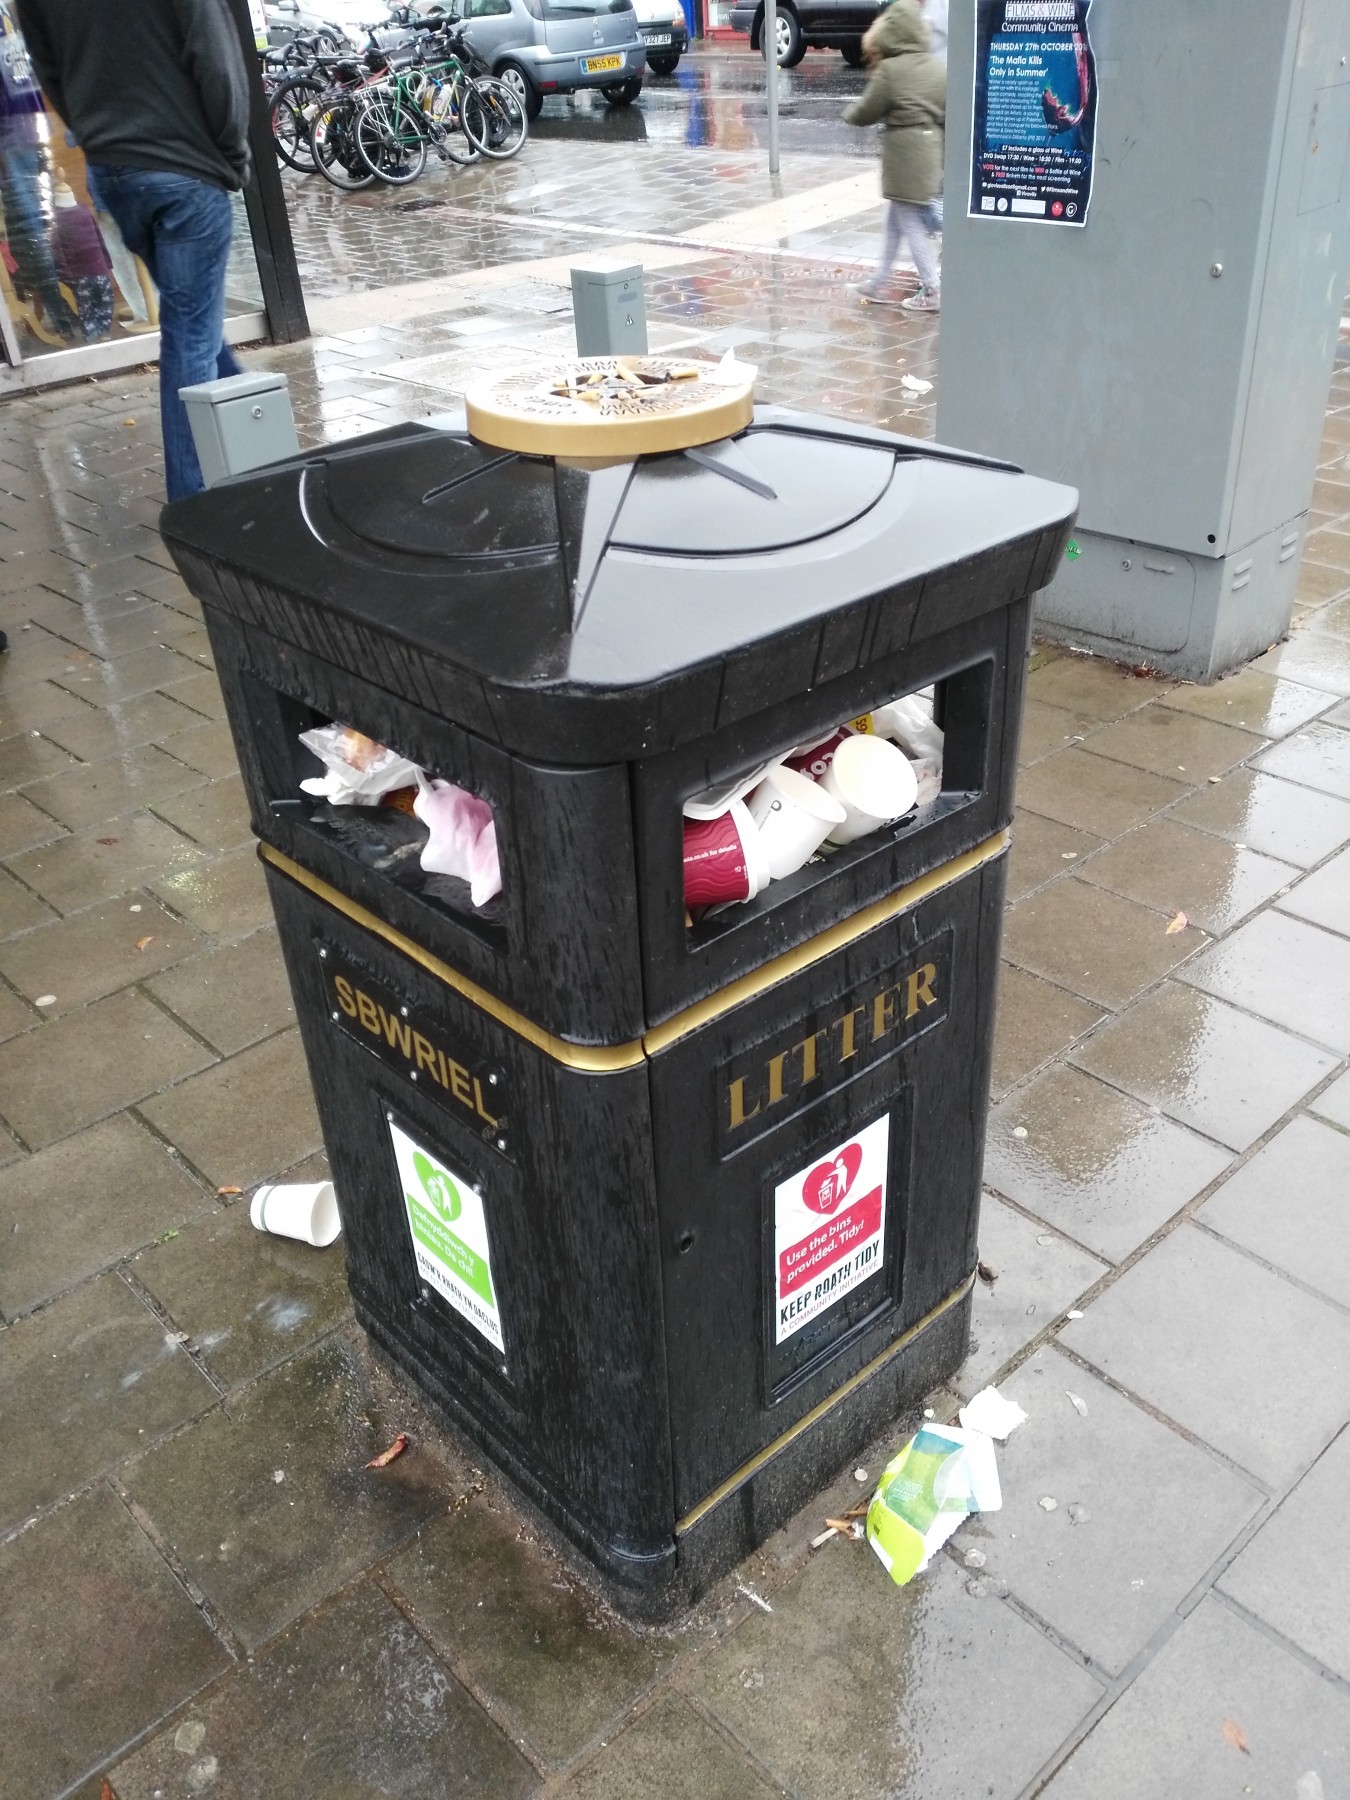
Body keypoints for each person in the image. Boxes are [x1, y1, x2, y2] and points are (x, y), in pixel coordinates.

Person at [15, 0, 253, 500]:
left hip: (114, 173)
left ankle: (256, 448)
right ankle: (193, 502)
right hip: (184, 168)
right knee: (189, 336)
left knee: (195, 318)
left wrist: (99, 139)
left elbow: (49, 72)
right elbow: (216, 59)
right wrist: (232, 152)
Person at [847, 0, 945, 311]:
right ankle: (878, 281)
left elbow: (867, 110)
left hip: (904, 160)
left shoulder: (891, 70)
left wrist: (848, 114)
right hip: (930, 152)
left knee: (915, 223)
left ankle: (932, 289)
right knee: (898, 220)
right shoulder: (934, 66)